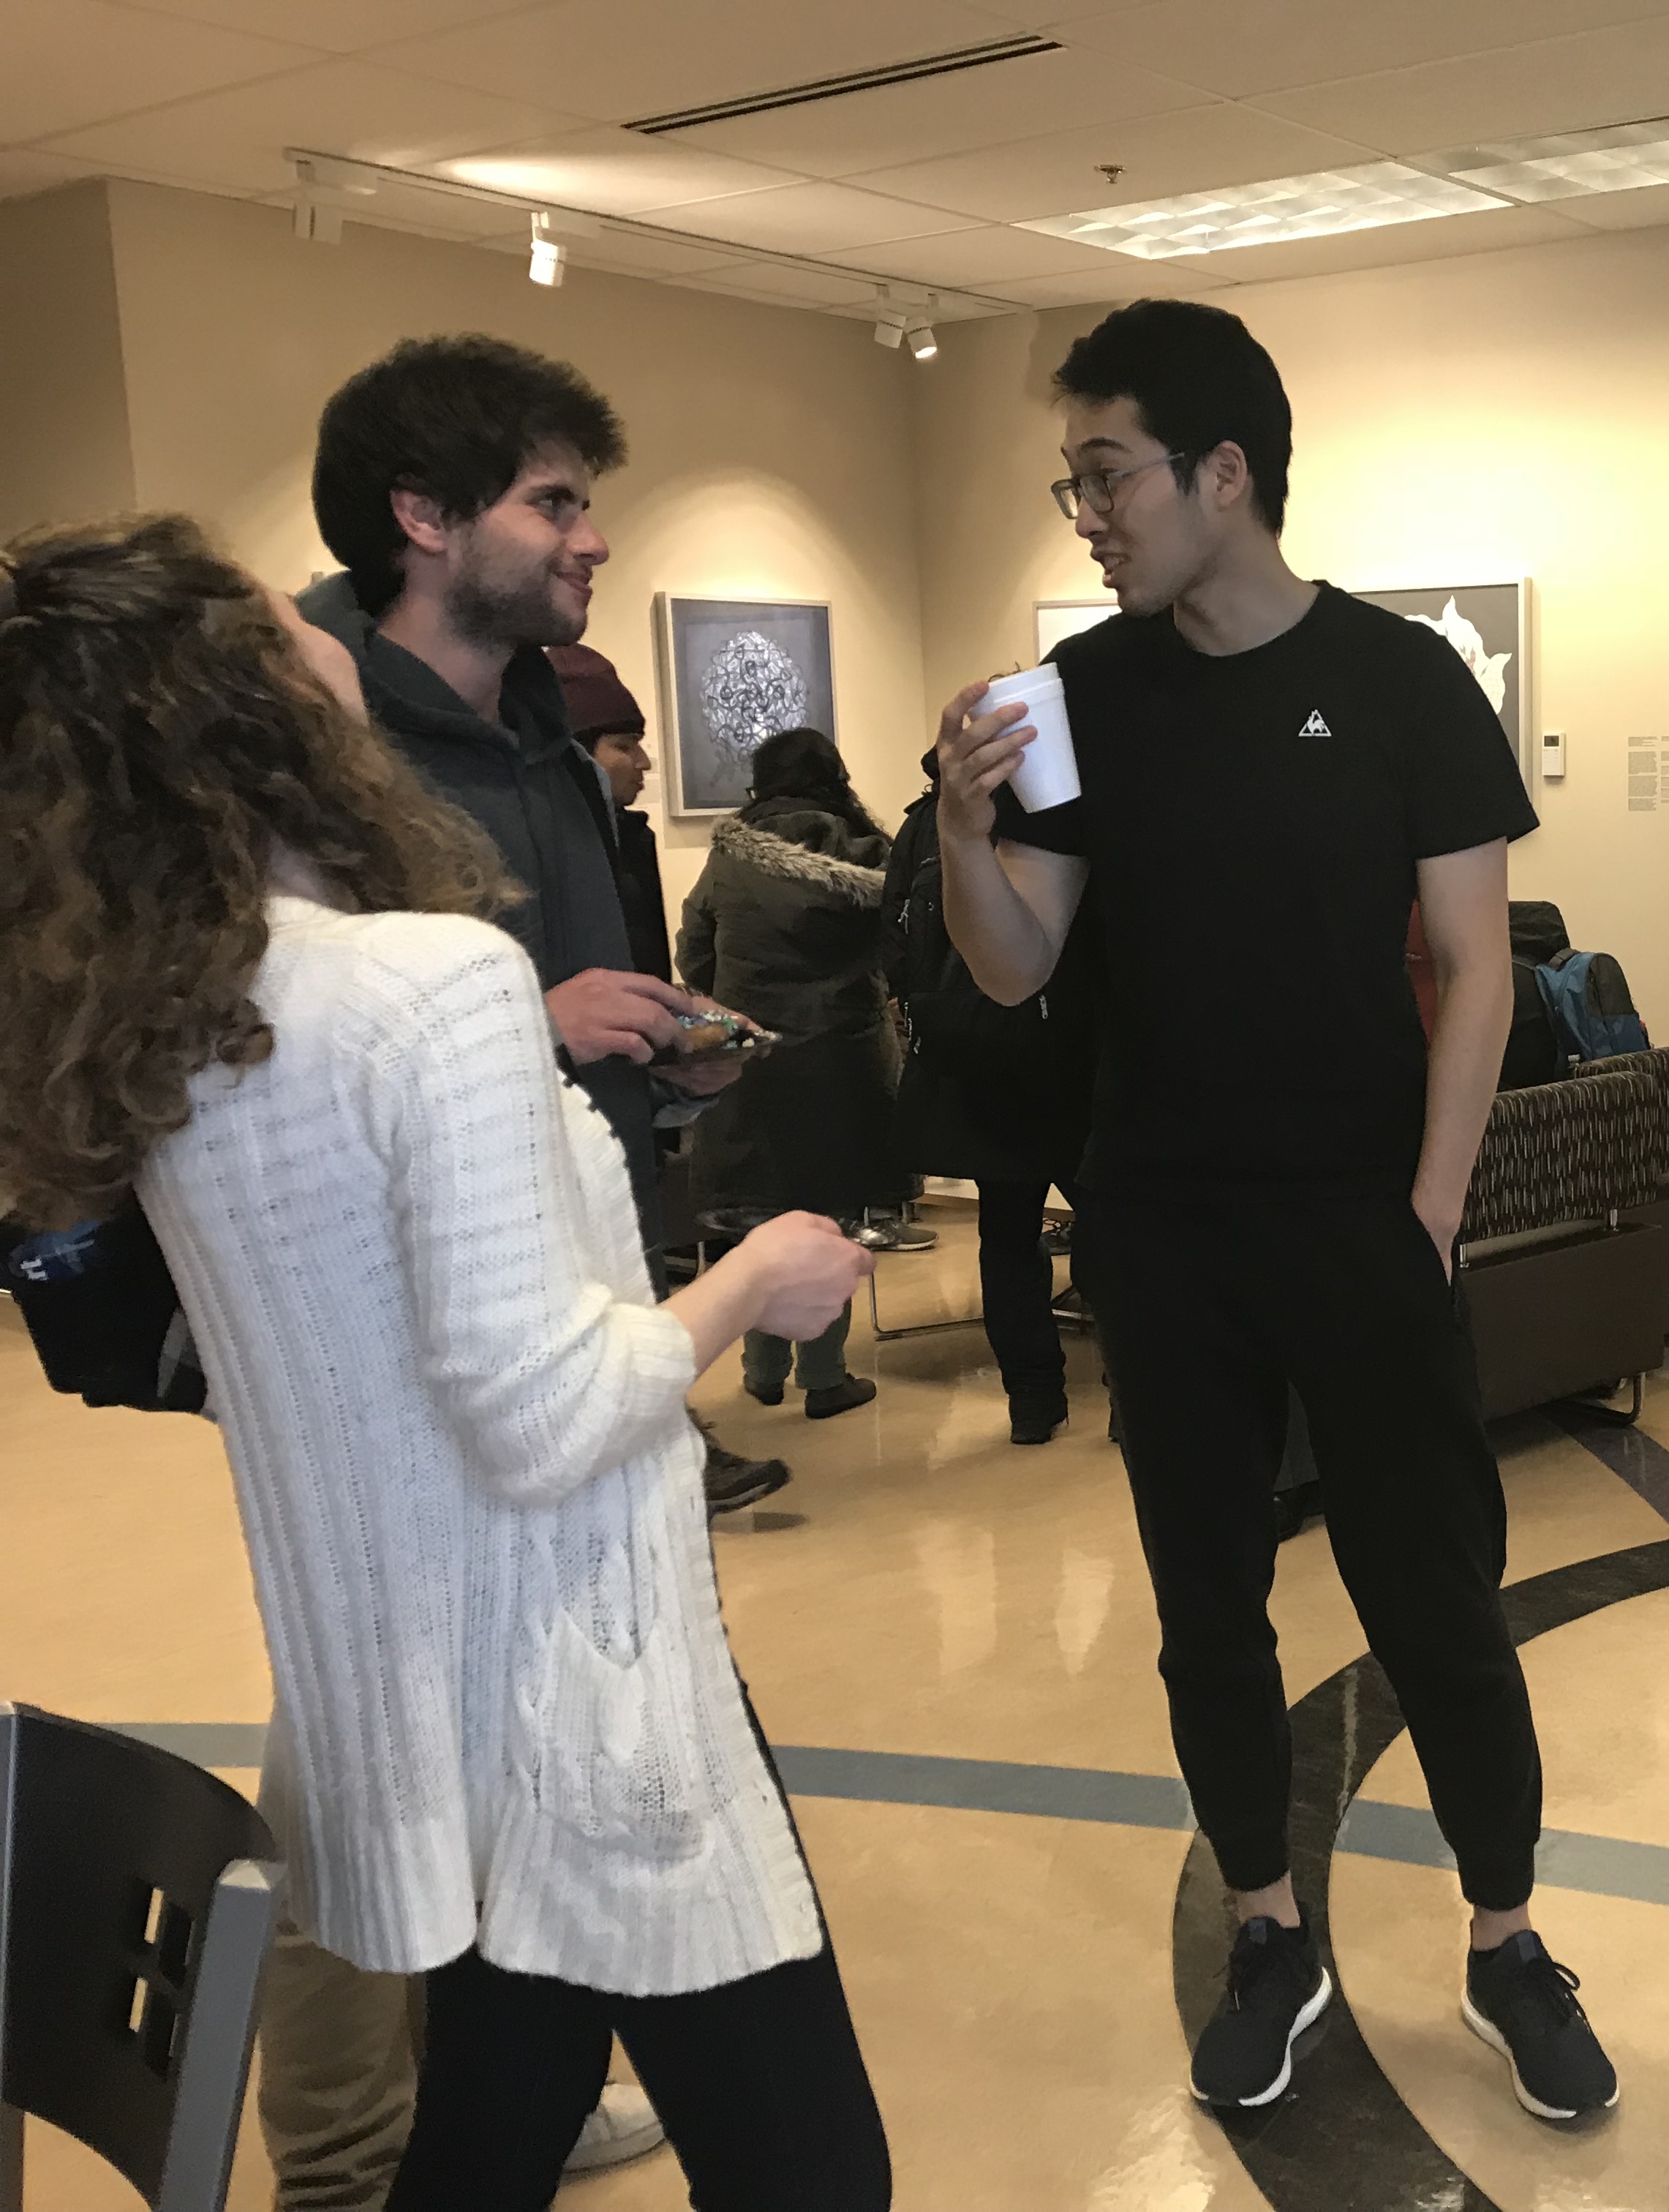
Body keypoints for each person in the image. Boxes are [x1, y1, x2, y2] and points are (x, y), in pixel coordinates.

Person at [0, 515, 890, 2212]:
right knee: (812, 2173)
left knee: (489, 2126)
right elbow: (545, 1415)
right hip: (576, 1693)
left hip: (410, 1707)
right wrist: (752, 1283)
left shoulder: (178, 1019)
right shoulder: (430, 985)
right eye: (280, 615)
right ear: (249, 696)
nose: (319, 624)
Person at [930, 298, 1617, 2121]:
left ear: (1223, 473)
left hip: (1363, 1221)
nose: (1088, 515)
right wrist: (962, 833)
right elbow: (1016, 964)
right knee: (1206, 1608)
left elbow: (1478, 968)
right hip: (1164, 1231)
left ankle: (1505, 1940)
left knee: (1437, 1598)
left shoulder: (1405, 684)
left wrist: (1432, 1210)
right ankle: (1267, 1932)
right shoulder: (1082, 697)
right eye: (1073, 483)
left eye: (1109, 476)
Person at [274, 331, 788, 2209]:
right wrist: (521, 1018)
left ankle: (511, 2092)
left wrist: (653, 1047)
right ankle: (345, 2163)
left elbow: (564, 1015)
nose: (593, 539)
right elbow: (286, 1064)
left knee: (536, 1746)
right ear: (423, 518)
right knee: (375, 1756)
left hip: (578, 1304)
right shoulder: (309, 742)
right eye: (555, 502)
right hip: (409, 1352)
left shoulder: (550, 736)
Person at [681, 727, 905, 1421]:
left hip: (755, 1059)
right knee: (830, 1219)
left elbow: (694, 951)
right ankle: (825, 1376)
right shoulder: (870, 854)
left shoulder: (731, 856)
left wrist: (736, 1004)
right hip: (843, 1059)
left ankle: (763, 1370)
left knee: (762, 1221)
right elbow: (902, 951)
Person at [884, 744, 1096, 1444]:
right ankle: (1129, 1400)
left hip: (977, 1061)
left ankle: (1032, 1401)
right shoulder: (1059, 808)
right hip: (1071, 1056)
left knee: (1006, 1236)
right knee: (1113, 1227)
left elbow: (894, 942)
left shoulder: (926, 822)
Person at [549, 640, 672, 984]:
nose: (644, 762)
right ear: (577, 751)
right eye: (624, 746)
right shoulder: (553, 844)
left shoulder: (632, 835)